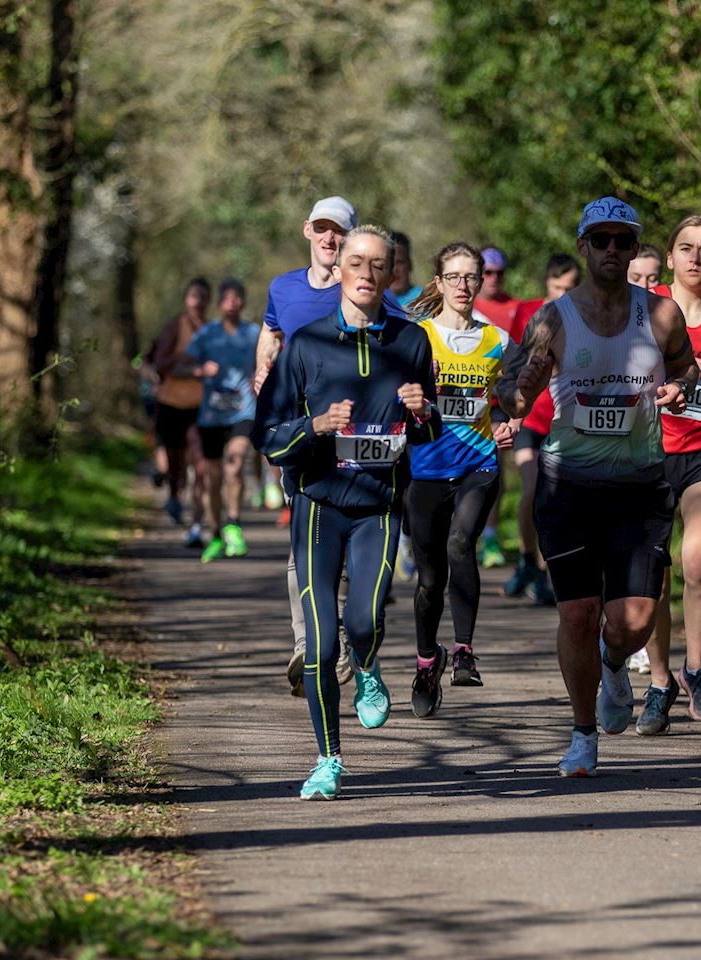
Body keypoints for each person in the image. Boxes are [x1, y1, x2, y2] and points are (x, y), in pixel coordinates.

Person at [495, 196, 698, 778]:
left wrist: (680, 387)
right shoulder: (554, 318)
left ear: (636, 247)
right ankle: (583, 733)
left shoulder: (660, 315)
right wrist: (509, 401)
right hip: (569, 484)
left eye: (624, 241)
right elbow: (518, 383)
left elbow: (684, 367)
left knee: (632, 621)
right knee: (578, 612)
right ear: (583, 246)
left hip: (639, 484)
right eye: (601, 240)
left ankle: (614, 664)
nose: (613, 249)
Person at [255, 224, 441, 800]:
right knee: (320, 642)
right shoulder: (305, 345)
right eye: (356, 262)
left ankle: (369, 665)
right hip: (319, 507)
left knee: (362, 623)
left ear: (390, 276)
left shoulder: (411, 342)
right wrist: (314, 427)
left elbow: (430, 432)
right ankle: (329, 758)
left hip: (378, 509)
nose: (365, 273)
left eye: (378, 265)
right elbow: (267, 433)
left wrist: (423, 409)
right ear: (338, 270)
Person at [254, 196, 407, 698]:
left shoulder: (362, 286)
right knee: (306, 534)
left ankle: (350, 635)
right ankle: (309, 642)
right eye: (321, 229)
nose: (328, 237)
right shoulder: (284, 286)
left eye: (337, 230)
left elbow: (404, 337)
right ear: (307, 231)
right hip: (306, 432)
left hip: (363, 438)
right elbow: (271, 331)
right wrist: (263, 369)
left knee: (348, 545)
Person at [398, 243, 517, 714]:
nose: (465, 286)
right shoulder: (417, 337)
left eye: (473, 277)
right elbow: (392, 395)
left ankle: (464, 651)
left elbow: (515, 395)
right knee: (429, 580)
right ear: (439, 283)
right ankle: (429, 659)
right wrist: (408, 403)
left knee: (461, 543)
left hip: (479, 465)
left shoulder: (498, 340)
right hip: (425, 469)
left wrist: (510, 421)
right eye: (456, 277)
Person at [636, 215, 701, 735]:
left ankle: (694, 667)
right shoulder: (645, 308)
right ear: (670, 257)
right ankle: (659, 682)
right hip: (649, 455)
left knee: (696, 560)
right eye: (686, 248)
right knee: (653, 573)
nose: (696, 258)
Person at [501, 253, 579, 607]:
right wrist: (514, 410)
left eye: (570, 287)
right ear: (548, 282)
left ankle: (548, 574)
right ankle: (526, 559)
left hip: (564, 421)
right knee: (532, 489)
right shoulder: (528, 311)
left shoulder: (583, 316)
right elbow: (514, 364)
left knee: (555, 496)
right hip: (530, 420)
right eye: (558, 286)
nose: (563, 293)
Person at [186, 277, 259, 562]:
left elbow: (270, 358)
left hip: (243, 411)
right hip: (211, 415)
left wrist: (261, 374)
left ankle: (234, 524)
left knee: (235, 463)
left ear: (242, 301)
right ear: (219, 302)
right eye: (227, 297)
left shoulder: (253, 333)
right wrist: (200, 369)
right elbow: (182, 364)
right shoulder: (207, 334)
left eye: (237, 297)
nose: (232, 302)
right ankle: (216, 533)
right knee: (212, 478)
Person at [147, 277, 211, 547]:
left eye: (203, 296)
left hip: (201, 407)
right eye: (194, 295)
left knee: (197, 460)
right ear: (186, 299)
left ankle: (195, 515)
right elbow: (160, 362)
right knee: (174, 460)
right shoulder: (176, 326)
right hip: (171, 403)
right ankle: (174, 495)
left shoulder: (211, 330)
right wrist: (186, 362)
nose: (198, 301)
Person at [471, 246, 522, 568]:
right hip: (465, 402)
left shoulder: (516, 307)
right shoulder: (466, 305)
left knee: (492, 471)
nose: (492, 278)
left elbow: (519, 357)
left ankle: (490, 537)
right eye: (486, 272)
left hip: (497, 402)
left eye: (498, 272)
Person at [389, 230, 422, 309]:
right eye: (390, 264)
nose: (395, 269)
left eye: (400, 263)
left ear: (410, 264)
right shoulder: (372, 303)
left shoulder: (426, 300)